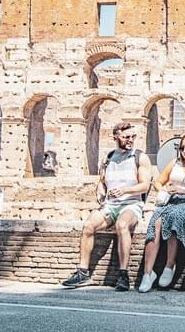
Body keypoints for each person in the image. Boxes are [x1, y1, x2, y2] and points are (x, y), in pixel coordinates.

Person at [62, 122, 152, 291]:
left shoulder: (140, 157)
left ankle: (123, 274)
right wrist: (101, 193)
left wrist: (125, 190)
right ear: (116, 137)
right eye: (126, 137)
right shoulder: (108, 157)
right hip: (110, 205)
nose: (130, 140)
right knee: (89, 226)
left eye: (133, 137)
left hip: (131, 204)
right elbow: (102, 182)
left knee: (122, 225)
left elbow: (144, 185)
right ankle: (83, 272)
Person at [138, 131, 185, 293]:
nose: (184, 152)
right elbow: (158, 182)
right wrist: (165, 189)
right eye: (182, 148)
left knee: (175, 217)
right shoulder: (174, 163)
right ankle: (148, 273)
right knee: (155, 222)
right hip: (171, 201)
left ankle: (169, 265)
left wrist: (183, 190)